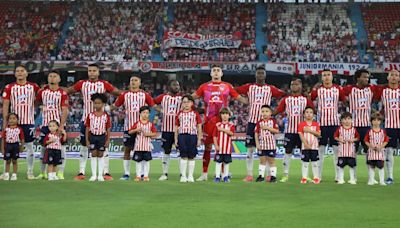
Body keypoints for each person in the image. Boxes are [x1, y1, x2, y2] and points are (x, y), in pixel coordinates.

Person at [192, 64, 248, 181]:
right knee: (207, 147)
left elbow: (239, 98)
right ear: (211, 73)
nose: (216, 72)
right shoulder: (204, 86)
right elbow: (192, 98)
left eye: (218, 70)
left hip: (223, 122)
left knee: (222, 148)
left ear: (222, 73)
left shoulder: (227, 86)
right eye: (214, 70)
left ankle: (223, 173)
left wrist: (250, 101)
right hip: (208, 122)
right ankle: (204, 173)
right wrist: (183, 100)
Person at [66, 64, 120, 181]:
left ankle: (106, 172)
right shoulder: (82, 84)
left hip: (102, 121)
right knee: (84, 146)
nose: (91, 73)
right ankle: (81, 172)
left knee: (104, 147)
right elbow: (67, 91)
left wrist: (110, 107)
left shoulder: (104, 84)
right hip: (86, 120)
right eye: (90, 71)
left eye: (94, 70)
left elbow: (120, 94)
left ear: (98, 72)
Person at [236, 66, 285, 182]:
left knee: (267, 150)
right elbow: (235, 91)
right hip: (252, 122)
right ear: (255, 75)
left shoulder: (270, 88)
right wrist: (243, 100)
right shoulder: (249, 87)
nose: (260, 75)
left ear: (265, 75)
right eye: (258, 73)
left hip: (266, 124)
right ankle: (249, 174)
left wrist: (275, 111)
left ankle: (268, 175)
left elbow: (283, 95)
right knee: (250, 150)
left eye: (262, 73)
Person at [113, 75, 154, 181]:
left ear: (140, 82)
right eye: (131, 80)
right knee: (127, 150)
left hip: (142, 128)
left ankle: (143, 174)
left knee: (143, 150)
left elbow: (153, 106)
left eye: (136, 80)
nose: (133, 82)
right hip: (129, 127)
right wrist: (106, 107)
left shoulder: (145, 95)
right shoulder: (124, 95)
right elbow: (116, 105)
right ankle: (126, 173)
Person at [2, 65, 39, 180]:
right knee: (8, 146)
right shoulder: (9, 87)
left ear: (26, 73)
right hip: (13, 122)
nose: (19, 73)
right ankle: (6, 172)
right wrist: (5, 121)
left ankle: (30, 171)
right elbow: (6, 104)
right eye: (17, 71)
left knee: (29, 146)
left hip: (28, 121)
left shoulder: (33, 87)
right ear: (15, 74)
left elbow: (39, 99)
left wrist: (34, 109)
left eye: (22, 71)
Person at [310, 69, 346, 181]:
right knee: (320, 152)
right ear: (321, 77)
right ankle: (318, 176)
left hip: (335, 124)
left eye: (328, 75)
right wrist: (315, 113)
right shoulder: (317, 90)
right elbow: (309, 101)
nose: (326, 77)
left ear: (332, 77)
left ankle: (338, 176)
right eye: (324, 75)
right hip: (321, 125)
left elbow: (344, 101)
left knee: (337, 151)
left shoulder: (338, 89)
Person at [275, 78, 313, 182]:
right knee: (287, 151)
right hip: (290, 131)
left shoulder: (305, 100)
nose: (293, 86)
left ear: (300, 86)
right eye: (292, 84)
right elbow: (277, 111)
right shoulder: (286, 99)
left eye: (296, 84)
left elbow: (313, 111)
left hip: (303, 131)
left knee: (304, 152)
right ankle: (285, 174)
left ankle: (305, 176)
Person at [36, 70, 69, 180]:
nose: (52, 78)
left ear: (59, 79)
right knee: (43, 148)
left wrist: (61, 126)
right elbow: (36, 102)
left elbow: (65, 110)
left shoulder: (62, 93)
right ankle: (42, 172)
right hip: (45, 125)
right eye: (50, 76)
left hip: (58, 125)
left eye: (54, 76)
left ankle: (60, 172)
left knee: (61, 149)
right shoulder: (42, 92)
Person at [153, 80, 182, 181]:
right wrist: (160, 110)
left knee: (180, 151)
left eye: (178, 85)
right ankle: (164, 173)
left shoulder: (182, 98)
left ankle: (182, 174)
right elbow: (152, 102)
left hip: (179, 130)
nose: (177, 87)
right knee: (166, 151)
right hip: (166, 129)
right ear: (169, 86)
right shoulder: (163, 97)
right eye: (174, 85)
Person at [374, 69, 400, 184]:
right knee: (389, 152)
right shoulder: (383, 90)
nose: (394, 77)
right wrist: (379, 113)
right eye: (392, 75)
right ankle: (390, 177)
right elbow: (374, 101)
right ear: (388, 77)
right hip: (390, 126)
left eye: (396, 75)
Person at [175, 95, 202, 183]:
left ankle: (190, 176)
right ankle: (183, 176)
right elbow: (176, 127)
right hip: (182, 135)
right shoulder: (179, 114)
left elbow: (199, 126)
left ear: (191, 103)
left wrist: (199, 138)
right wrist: (175, 139)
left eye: (187, 102)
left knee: (191, 156)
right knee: (183, 155)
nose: (186, 104)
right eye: (184, 102)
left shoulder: (195, 113)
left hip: (192, 135)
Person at [85, 93, 111, 182]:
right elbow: (87, 128)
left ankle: (100, 175)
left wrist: (108, 140)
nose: (97, 105)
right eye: (95, 103)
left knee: (101, 154)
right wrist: (87, 140)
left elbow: (108, 129)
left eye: (99, 103)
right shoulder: (90, 115)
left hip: (102, 136)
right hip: (92, 136)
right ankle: (93, 175)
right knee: (93, 154)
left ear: (103, 104)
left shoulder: (105, 116)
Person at [129, 106, 157, 182]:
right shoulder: (137, 124)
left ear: (149, 114)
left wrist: (148, 134)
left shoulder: (150, 124)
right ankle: (138, 176)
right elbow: (130, 132)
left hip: (147, 147)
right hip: (138, 147)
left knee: (146, 162)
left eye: (147, 113)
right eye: (143, 112)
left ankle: (145, 176)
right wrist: (136, 130)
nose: (145, 114)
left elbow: (155, 134)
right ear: (140, 113)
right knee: (138, 162)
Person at [255, 105, 279, 183]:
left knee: (271, 161)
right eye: (263, 111)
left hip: (271, 145)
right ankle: (261, 176)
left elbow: (276, 131)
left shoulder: (273, 121)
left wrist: (267, 128)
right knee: (262, 161)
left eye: (266, 111)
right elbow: (256, 133)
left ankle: (273, 176)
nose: (264, 113)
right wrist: (257, 144)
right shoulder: (259, 122)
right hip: (262, 145)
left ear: (270, 113)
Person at [334, 112, 360, 185]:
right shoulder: (339, 129)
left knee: (351, 166)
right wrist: (339, 139)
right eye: (345, 119)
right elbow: (335, 136)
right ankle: (341, 179)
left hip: (351, 152)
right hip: (342, 152)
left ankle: (352, 179)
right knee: (341, 166)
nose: (347, 121)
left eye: (349, 119)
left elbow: (358, 137)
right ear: (341, 120)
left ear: (351, 120)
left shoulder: (354, 129)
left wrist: (353, 140)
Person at [364, 113, 389, 186]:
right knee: (372, 167)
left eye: (378, 120)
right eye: (374, 120)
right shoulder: (369, 131)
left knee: (381, 167)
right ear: (371, 121)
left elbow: (386, 140)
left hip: (380, 153)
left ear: (380, 121)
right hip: (372, 153)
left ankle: (382, 181)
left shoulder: (382, 131)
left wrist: (381, 147)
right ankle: (371, 180)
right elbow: (366, 141)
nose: (376, 122)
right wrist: (371, 146)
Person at [298, 107, 321, 184]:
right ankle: (304, 177)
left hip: (314, 147)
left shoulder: (316, 124)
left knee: (315, 163)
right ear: (304, 114)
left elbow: (318, 134)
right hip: (305, 147)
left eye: (311, 112)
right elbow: (301, 135)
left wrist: (309, 131)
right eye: (307, 112)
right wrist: (306, 144)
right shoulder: (301, 124)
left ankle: (316, 178)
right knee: (305, 163)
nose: (309, 114)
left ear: (313, 115)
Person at [213, 108, 235, 183]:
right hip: (219, 148)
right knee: (218, 162)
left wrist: (222, 129)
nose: (225, 116)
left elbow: (231, 133)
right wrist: (216, 145)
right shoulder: (217, 125)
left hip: (227, 149)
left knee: (226, 163)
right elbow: (214, 136)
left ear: (229, 116)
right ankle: (217, 177)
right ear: (221, 115)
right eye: (223, 114)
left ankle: (225, 176)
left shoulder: (231, 125)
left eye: (226, 114)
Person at [2, 113, 24, 181]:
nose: (12, 120)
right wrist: (2, 149)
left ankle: (14, 174)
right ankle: (7, 174)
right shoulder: (6, 129)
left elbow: (22, 139)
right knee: (7, 161)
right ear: (8, 120)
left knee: (14, 160)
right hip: (8, 145)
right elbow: (3, 139)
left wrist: (21, 147)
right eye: (10, 118)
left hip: (15, 146)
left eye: (14, 118)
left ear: (17, 120)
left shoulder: (19, 129)